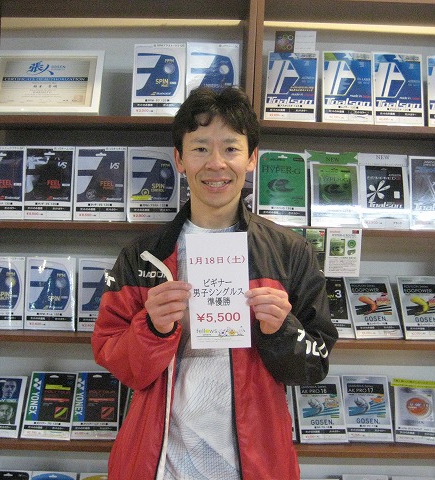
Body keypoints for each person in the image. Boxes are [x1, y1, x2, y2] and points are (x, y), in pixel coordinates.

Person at [91, 86, 338, 480]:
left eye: (231, 148)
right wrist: (152, 328)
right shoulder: (144, 255)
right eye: (201, 148)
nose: (216, 164)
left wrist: (281, 331)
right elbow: (115, 359)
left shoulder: (290, 252)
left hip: (256, 466)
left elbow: (314, 364)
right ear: (180, 159)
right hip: (161, 466)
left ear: (252, 158)